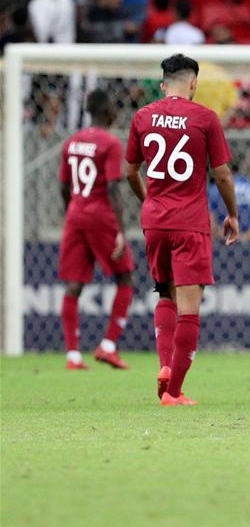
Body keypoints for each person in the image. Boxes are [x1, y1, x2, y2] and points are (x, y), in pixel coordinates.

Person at [125, 54, 240, 406]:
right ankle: (173, 391)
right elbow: (221, 173)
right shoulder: (205, 118)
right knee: (190, 308)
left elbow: (129, 171)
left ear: (163, 84)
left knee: (163, 294)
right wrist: (232, 214)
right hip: (190, 222)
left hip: (155, 220)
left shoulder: (143, 116)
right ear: (194, 84)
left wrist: (150, 200)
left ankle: (164, 366)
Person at [58, 89, 135, 371]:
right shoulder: (111, 143)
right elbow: (114, 187)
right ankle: (108, 346)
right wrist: (121, 232)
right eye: (114, 106)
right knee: (125, 278)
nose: (117, 111)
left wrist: (72, 211)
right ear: (105, 110)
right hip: (101, 216)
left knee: (74, 284)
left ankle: (73, 356)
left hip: (75, 214)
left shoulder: (72, 142)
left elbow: (64, 186)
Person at [208, 164, 250, 241]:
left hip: (223, 241)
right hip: (249, 243)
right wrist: (246, 236)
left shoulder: (215, 189)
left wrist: (222, 235)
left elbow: (208, 219)